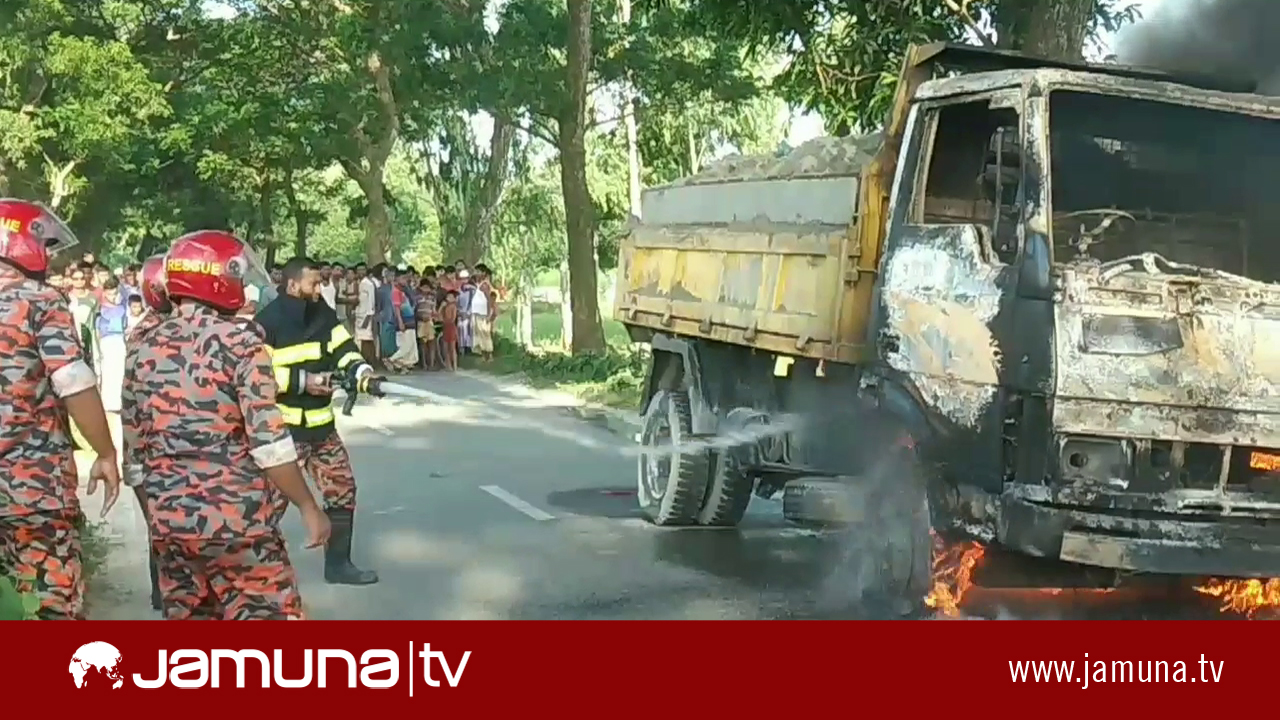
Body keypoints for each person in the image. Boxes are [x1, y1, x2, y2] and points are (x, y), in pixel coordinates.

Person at [122, 232, 330, 619]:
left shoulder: (142, 348)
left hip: (171, 527)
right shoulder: (240, 342)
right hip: (237, 525)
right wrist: (308, 506)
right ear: (219, 278)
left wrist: (161, 516)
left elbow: (134, 458)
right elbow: (270, 445)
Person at [0, 198, 121, 620]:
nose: (50, 257)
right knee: (51, 604)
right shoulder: (38, 301)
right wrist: (106, 453)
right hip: (30, 490)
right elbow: (73, 383)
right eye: (46, 246)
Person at [255, 256, 381, 586]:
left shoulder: (323, 314)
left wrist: (363, 373)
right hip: (284, 434)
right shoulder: (267, 322)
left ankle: (338, 565)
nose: (319, 288)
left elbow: (345, 350)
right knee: (268, 504)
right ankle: (256, 575)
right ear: (293, 285)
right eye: (314, 283)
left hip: (322, 429)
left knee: (342, 491)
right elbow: (257, 376)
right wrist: (303, 382)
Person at [127, 253, 170, 611]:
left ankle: (165, 592)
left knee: (161, 525)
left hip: (148, 449)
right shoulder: (152, 333)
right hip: (158, 450)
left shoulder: (143, 330)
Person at [93, 277, 129, 413]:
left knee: (120, 371)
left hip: (120, 340)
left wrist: (120, 287)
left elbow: (126, 292)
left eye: (114, 293)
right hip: (106, 341)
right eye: (109, 293)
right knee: (107, 371)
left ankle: (119, 402)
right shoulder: (100, 307)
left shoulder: (123, 306)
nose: (112, 297)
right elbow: (97, 329)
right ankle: (108, 403)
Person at [355, 262, 380, 368]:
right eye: (359, 270)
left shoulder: (368, 284)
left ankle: (370, 362)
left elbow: (371, 302)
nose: (361, 272)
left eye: (363, 270)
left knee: (367, 340)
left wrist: (368, 317)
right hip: (359, 315)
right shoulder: (359, 283)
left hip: (366, 316)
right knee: (362, 340)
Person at [471, 263, 497, 361]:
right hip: (478, 313)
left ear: (483, 273)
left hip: (482, 314)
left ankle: (489, 355)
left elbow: (488, 300)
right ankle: (484, 355)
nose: (476, 273)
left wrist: (488, 313)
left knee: (484, 334)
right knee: (480, 335)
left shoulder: (485, 285)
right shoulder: (480, 284)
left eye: (478, 271)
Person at [441, 289, 460, 371]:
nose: (448, 298)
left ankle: (454, 365)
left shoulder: (453, 306)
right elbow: (439, 315)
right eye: (447, 296)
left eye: (450, 297)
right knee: (445, 347)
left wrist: (445, 320)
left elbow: (453, 319)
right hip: (445, 327)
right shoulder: (445, 306)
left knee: (452, 347)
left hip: (451, 327)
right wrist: (441, 307)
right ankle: (448, 365)